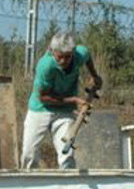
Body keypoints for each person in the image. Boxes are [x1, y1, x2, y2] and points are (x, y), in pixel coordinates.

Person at [21, 31, 103, 169]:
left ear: (73, 53)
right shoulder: (45, 65)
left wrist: (95, 76)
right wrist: (74, 100)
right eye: (59, 57)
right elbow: (43, 97)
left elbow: (87, 56)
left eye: (67, 57)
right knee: (29, 155)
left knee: (67, 153)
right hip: (40, 109)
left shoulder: (79, 54)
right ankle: (27, 180)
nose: (63, 61)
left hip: (64, 112)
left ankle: (67, 181)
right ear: (52, 51)